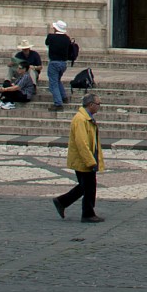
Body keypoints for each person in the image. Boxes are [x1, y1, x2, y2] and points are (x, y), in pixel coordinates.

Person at [52, 92, 102, 222]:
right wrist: (90, 161)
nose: (99, 106)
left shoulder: (86, 118)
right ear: (91, 105)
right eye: (98, 104)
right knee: (88, 187)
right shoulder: (81, 119)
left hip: (85, 159)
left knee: (84, 186)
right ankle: (87, 214)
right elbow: (82, 143)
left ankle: (62, 202)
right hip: (83, 161)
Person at [45, 20, 78, 109]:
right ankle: (63, 97)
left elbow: (47, 43)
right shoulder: (66, 38)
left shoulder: (51, 37)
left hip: (54, 63)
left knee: (53, 83)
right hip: (63, 64)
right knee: (57, 80)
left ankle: (58, 103)